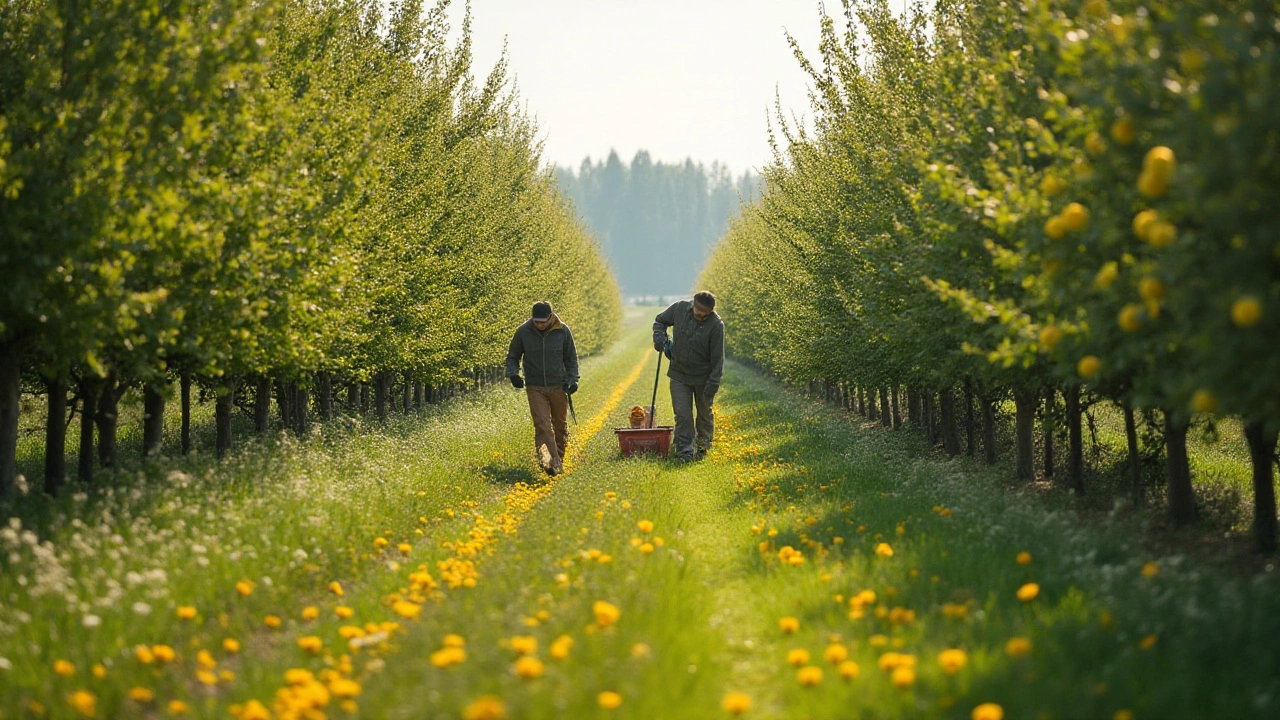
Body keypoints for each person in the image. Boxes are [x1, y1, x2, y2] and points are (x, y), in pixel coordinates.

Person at [506, 301, 579, 476]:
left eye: (542, 321)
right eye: (536, 321)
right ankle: (550, 463)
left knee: (559, 426)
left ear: (551, 317)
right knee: (542, 425)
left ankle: (558, 458)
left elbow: (571, 358)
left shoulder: (563, 331)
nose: (539, 324)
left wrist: (573, 380)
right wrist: (513, 374)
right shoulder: (523, 331)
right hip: (535, 386)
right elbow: (513, 356)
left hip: (558, 385)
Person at [653, 291, 724, 461]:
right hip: (679, 374)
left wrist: (713, 384)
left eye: (705, 313)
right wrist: (659, 337)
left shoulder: (716, 325)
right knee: (683, 414)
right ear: (693, 304)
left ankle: (703, 446)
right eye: (698, 311)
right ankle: (684, 451)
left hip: (703, 377)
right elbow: (660, 320)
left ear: (711, 312)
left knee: (704, 414)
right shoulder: (679, 309)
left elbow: (717, 359)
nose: (700, 315)